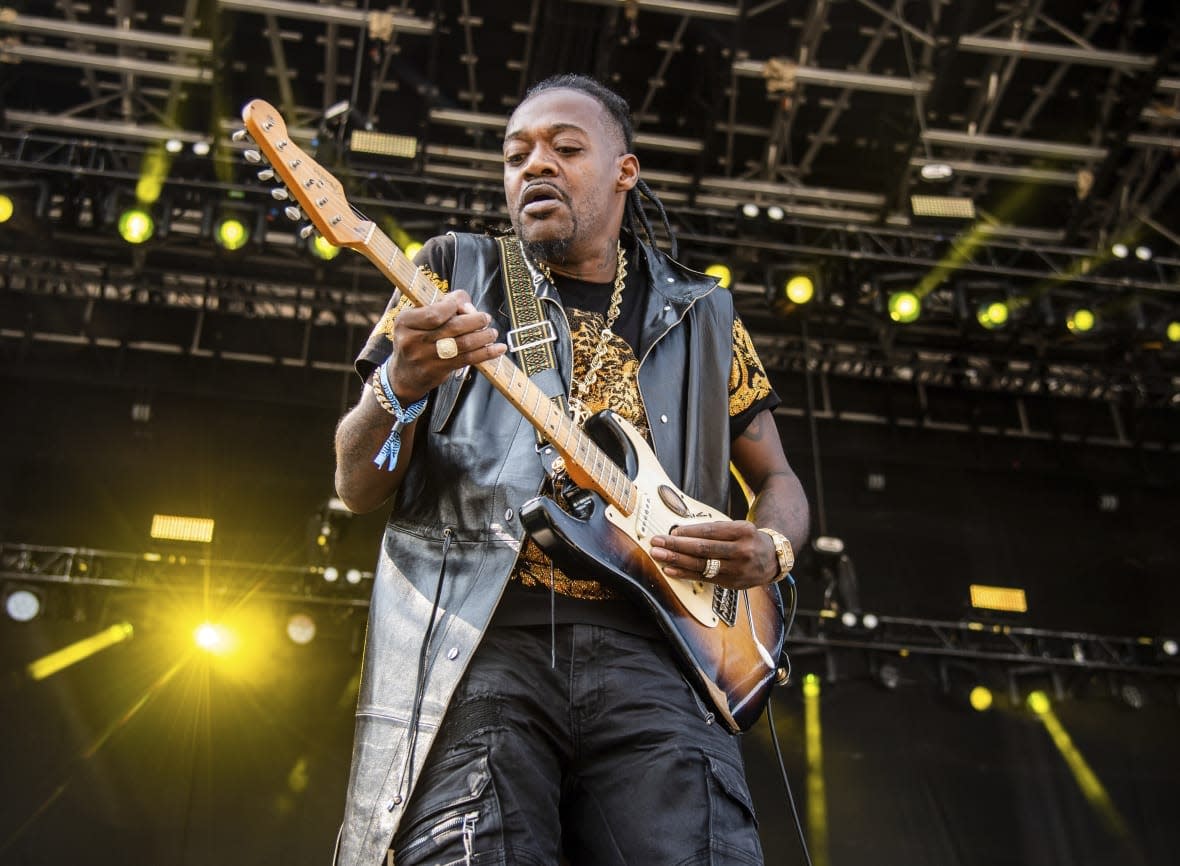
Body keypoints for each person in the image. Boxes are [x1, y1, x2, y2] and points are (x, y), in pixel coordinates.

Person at [332, 73, 810, 866]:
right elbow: (357, 482)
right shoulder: (451, 274)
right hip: (482, 653)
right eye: (516, 154)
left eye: (565, 147)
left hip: (667, 661)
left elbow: (780, 481)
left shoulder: (702, 312)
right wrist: (399, 385)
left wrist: (772, 551)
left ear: (625, 170)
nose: (535, 165)